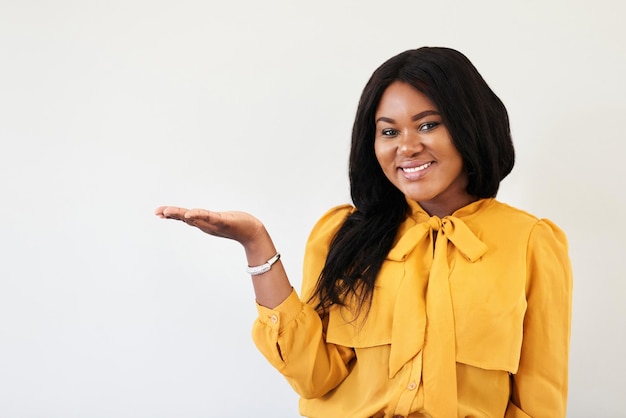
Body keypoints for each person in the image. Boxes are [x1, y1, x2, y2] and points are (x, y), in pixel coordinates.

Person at [155, 46, 572, 418]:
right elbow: (313, 377)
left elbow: (540, 401)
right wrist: (255, 242)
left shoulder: (531, 242)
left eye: (427, 125)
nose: (405, 147)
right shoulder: (343, 233)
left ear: (470, 125)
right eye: (389, 131)